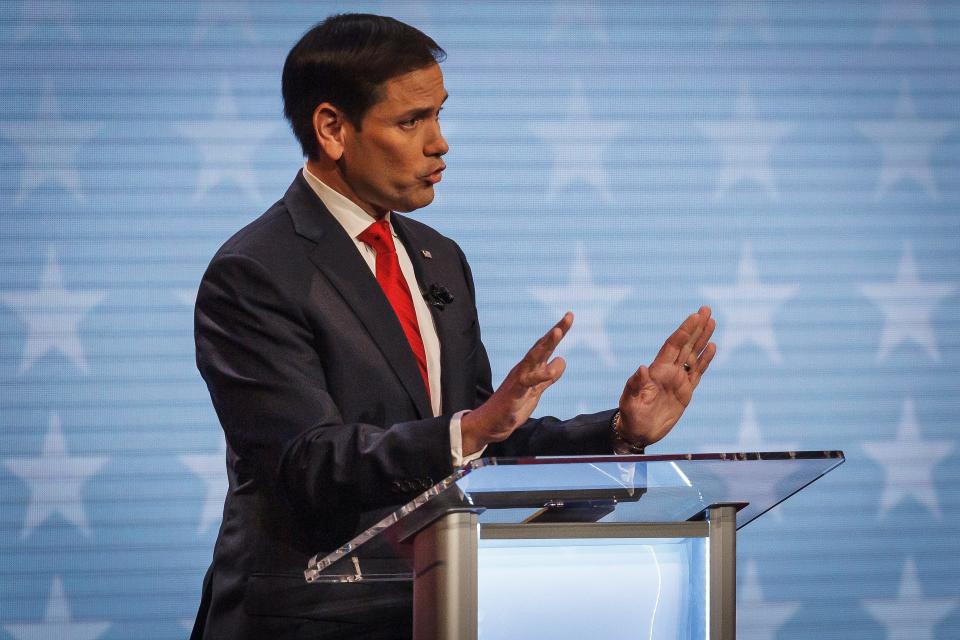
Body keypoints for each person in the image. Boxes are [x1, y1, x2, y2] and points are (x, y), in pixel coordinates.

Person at [189, 13, 716, 640]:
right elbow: (307, 461)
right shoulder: (255, 271)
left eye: (439, 114)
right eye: (412, 121)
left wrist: (620, 431)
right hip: (311, 620)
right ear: (332, 128)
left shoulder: (438, 256)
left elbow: (479, 438)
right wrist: (470, 429)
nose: (440, 143)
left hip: (440, 608)